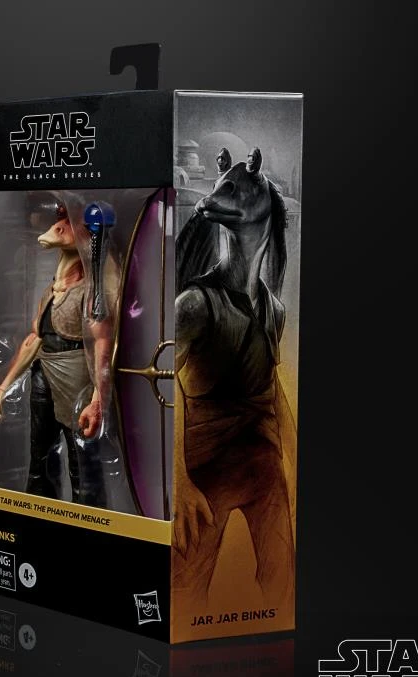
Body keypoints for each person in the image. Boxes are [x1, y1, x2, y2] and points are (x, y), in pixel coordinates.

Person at [173, 147, 296, 616]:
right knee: (186, 592)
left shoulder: (274, 311)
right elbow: (165, 383)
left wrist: (294, 464)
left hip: (263, 467)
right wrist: (180, 484)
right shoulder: (194, 305)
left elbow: (271, 389)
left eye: (236, 186)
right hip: (204, 471)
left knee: (283, 584)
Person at [0, 204, 107, 507]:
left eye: (70, 221)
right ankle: (38, 516)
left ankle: (89, 525)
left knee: (83, 466)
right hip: (43, 379)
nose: (59, 226)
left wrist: (97, 402)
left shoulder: (91, 292)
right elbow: (34, 340)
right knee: (39, 460)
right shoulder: (53, 290)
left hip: (76, 384)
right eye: (60, 219)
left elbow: (103, 345)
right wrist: (1, 391)